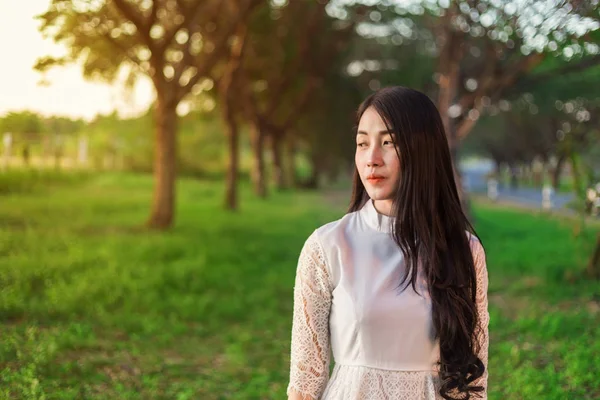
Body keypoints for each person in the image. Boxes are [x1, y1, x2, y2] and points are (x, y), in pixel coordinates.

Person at [286, 86, 489, 400]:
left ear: (423, 149)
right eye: (363, 143)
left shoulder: (465, 251)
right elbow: (304, 385)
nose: (372, 159)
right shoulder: (327, 247)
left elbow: (473, 386)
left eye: (388, 142)